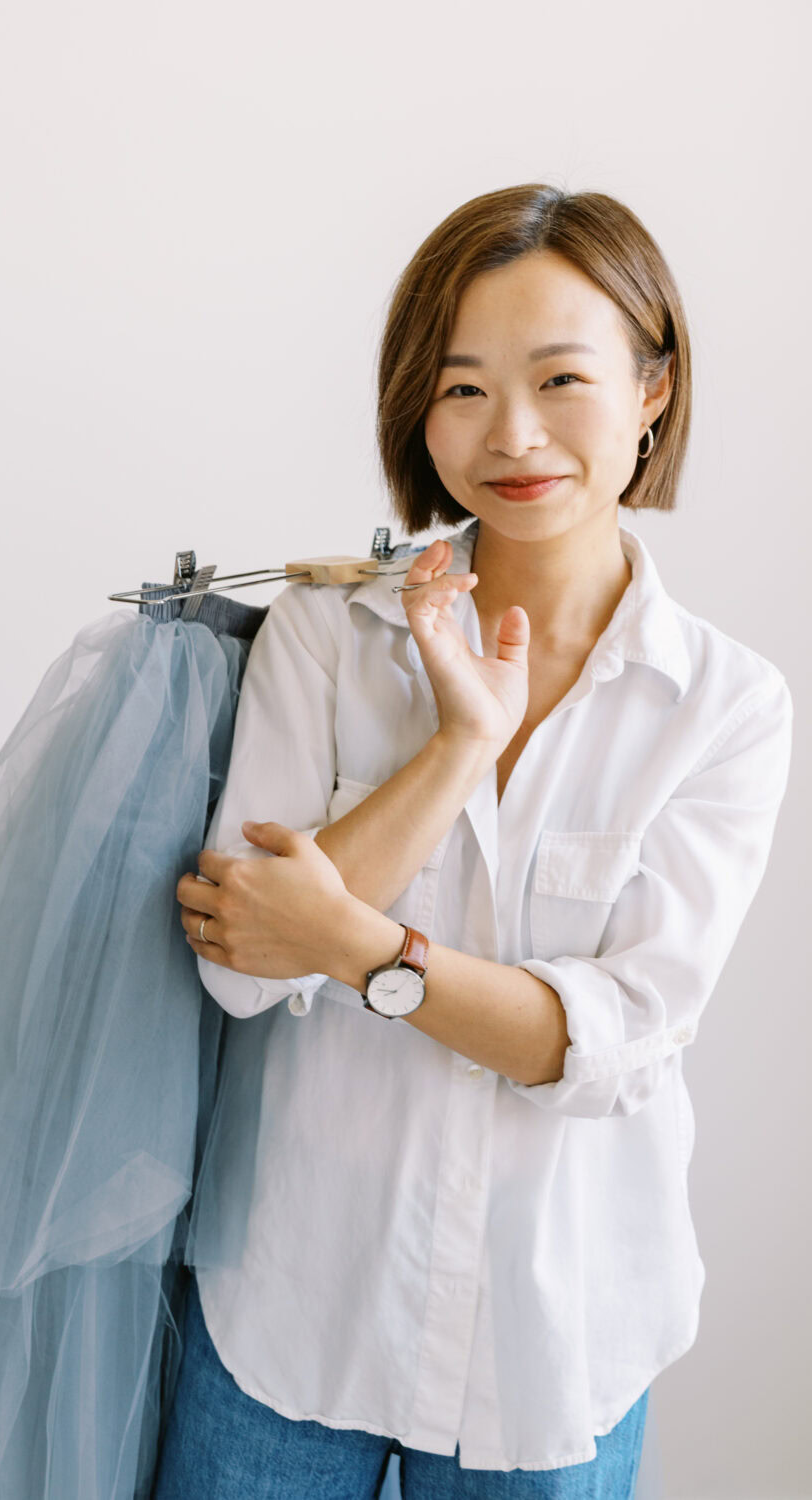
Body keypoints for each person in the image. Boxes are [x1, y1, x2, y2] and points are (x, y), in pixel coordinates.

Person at [159, 184, 793, 1498]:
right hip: (287, 1305)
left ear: (652, 390)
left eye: (561, 378)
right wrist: (454, 748)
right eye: (461, 389)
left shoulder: (724, 704)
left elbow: (606, 1044)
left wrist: (354, 943)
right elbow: (241, 967)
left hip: (551, 1335)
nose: (512, 435)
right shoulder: (326, 636)